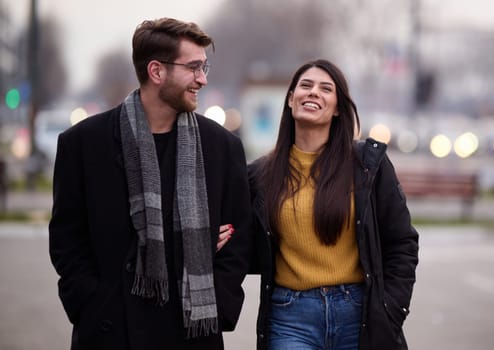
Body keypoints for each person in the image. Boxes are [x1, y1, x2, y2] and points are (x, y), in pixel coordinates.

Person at [49, 18, 252, 350]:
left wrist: (218, 302)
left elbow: (239, 241)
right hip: (112, 332)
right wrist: (90, 304)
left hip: (192, 332)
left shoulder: (222, 147)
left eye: (205, 68)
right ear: (157, 72)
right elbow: (66, 239)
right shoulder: (83, 144)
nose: (202, 79)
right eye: (193, 68)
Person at [248, 59, 419, 350]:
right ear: (291, 100)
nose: (314, 92)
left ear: (338, 107)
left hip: (359, 313)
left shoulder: (367, 165)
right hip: (290, 318)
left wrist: (392, 310)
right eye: (305, 85)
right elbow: (245, 242)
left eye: (326, 88)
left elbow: (402, 242)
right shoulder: (260, 174)